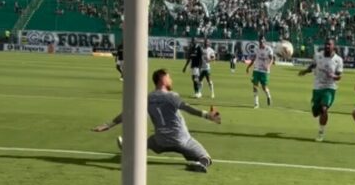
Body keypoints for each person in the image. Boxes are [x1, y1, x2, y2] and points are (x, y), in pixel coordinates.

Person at [92, 69, 221, 173]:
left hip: (160, 140)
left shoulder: (147, 98)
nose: (171, 80)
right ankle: (201, 164)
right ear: (163, 80)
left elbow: (129, 113)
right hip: (182, 139)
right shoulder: (172, 96)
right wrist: (207, 115)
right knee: (206, 157)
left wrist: (108, 125)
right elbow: (187, 108)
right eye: (169, 77)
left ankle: (130, 150)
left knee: (146, 143)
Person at [298, 38, 344, 142]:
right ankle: (320, 114)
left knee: (324, 108)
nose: (327, 46)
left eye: (329, 44)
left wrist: (334, 76)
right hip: (317, 87)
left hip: (330, 87)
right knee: (315, 113)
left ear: (334, 46)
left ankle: (321, 132)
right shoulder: (318, 55)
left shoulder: (338, 60)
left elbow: (339, 76)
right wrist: (305, 71)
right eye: (326, 44)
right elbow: (313, 65)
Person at [246, 36, 273, 109]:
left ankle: (268, 96)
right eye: (260, 42)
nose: (261, 43)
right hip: (257, 69)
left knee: (264, 87)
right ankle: (256, 103)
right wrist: (248, 67)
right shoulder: (257, 49)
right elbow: (254, 59)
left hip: (265, 71)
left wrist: (268, 66)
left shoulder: (268, 49)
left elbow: (271, 59)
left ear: (265, 42)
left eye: (262, 42)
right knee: (255, 86)